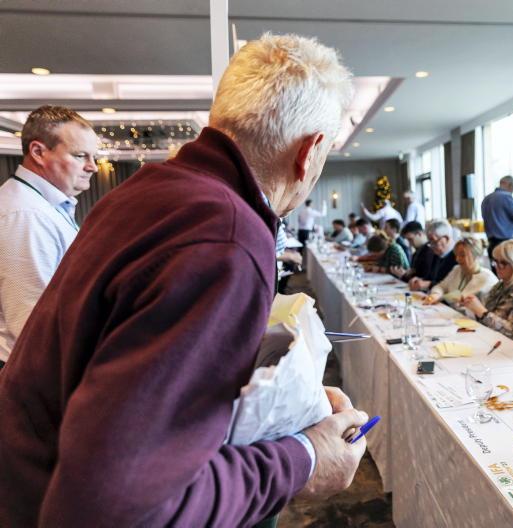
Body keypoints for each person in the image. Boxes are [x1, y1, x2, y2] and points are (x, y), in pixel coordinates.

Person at [0, 34, 368, 527]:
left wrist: (289, 407)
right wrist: (303, 459)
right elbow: (118, 507)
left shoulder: (145, 191)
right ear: (310, 152)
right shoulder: (225, 237)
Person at [0, 105, 98, 368]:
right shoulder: (26, 215)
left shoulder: (44, 205)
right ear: (38, 152)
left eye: (94, 156)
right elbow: (32, 325)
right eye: (80, 155)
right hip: (26, 373)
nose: (93, 167)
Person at [458, 240, 513, 345]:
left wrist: (482, 312)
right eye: (496, 262)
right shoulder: (501, 285)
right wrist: (472, 306)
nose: (497, 267)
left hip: (511, 350)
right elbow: (486, 314)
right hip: (490, 340)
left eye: (503, 263)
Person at [424, 237, 497, 309]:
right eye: (456, 255)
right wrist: (436, 294)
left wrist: (442, 297)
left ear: (476, 256)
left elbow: (460, 298)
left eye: (462, 255)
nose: (457, 259)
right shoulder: (457, 269)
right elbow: (441, 286)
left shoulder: (487, 278)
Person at [480, 175, 513, 265]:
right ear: (510, 185)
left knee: (496, 270)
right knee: (509, 271)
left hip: (491, 243)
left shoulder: (486, 199)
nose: (512, 190)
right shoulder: (506, 197)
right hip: (505, 245)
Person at [408, 220, 457, 291]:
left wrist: (429, 284)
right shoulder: (436, 254)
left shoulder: (458, 256)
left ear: (446, 239)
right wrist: (420, 280)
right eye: (429, 242)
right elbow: (430, 277)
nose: (431, 246)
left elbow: (453, 286)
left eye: (433, 241)